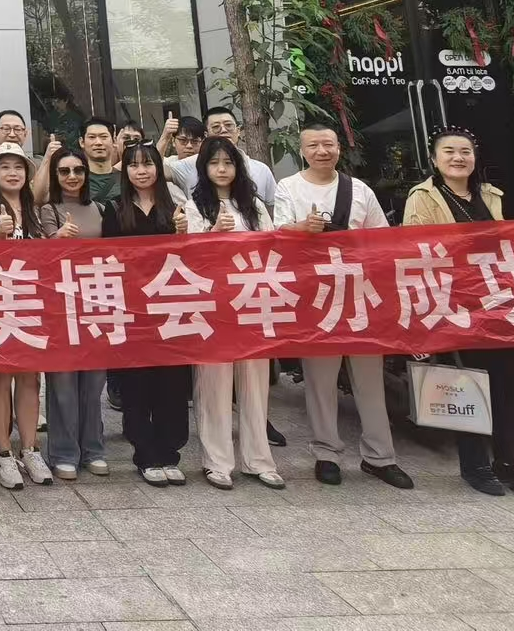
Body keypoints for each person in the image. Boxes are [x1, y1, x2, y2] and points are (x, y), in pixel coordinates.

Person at [404, 127, 514, 499]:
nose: (458, 158)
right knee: (465, 382)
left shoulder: (491, 195)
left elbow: (513, 241)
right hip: (454, 304)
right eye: (449, 151)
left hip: (498, 303)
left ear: (475, 157)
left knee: (507, 383)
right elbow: (413, 246)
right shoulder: (422, 197)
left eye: (465, 151)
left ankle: (511, 462)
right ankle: (474, 465)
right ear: (434, 159)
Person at [273, 121, 414, 491]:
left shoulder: (359, 189)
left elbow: (382, 240)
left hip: (359, 294)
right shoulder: (288, 187)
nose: (322, 151)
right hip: (315, 295)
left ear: (339, 148)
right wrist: (301, 229)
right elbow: (275, 234)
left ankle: (380, 456)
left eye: (329, 144)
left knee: (370, 379)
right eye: (314, 145)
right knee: (320, 380)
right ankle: (326, 453)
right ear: (301, 151)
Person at [176, 136, 284, 491]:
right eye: (214, 163)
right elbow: (188, 258)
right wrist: (212, 233)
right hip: (212, 307)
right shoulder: (195, 206)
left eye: (228, 162)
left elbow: (272, 247)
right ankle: (217, 462)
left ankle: (259, 460)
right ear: (203, 168)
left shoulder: (253, 205)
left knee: (255, 384)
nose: (222, 169)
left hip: (252, 303)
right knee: (213, 385)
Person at [106, 142, 191, 486]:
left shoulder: (178, 206)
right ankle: (145, 453)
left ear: (159, 167)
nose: (141, 171)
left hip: (170, 306)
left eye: (148, 164)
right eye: (134, 165)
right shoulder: (114, 208)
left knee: (172, 382)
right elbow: (107, 260)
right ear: (124, 171)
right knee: (137, 382)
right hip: (132, 310)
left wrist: (184, 234)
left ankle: (169, 452)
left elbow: (192, 258)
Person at [35, 141, 110, 483]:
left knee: (94, 383)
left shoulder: (100, 208)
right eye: (64, 171)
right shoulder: (47, 210)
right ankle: (64, 452)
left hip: (96, 303)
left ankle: (93, 449)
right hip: (60, 305)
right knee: (63, 382)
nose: (72, 176)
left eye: (78, 170)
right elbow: (41, 257)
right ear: (55, 175)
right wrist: (58, 238)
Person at [0, 143, 52, 491]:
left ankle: (30, 448)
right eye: (5, 167)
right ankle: (3, 453)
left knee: (30, 378)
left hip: (30, 302)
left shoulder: (34, 209)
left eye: (19, 167)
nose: (12, 173)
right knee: (0, 378)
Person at [165, 107, 277, 205]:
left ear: (238, 131)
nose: (223, 130)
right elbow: (158, 172)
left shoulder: (261, 169)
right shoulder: (191, 164)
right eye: (216, 127)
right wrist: (165, 138)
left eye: (228, 125)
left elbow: (273, 207)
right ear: (206, 135)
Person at [32, 116, 121, 214]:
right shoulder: (71, 177)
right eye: (92, 137)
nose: (98, 142)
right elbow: (38, 200)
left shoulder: (126, 178)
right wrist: (48, 158)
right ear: (81, 142)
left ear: (114, 141)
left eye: (104, 137)